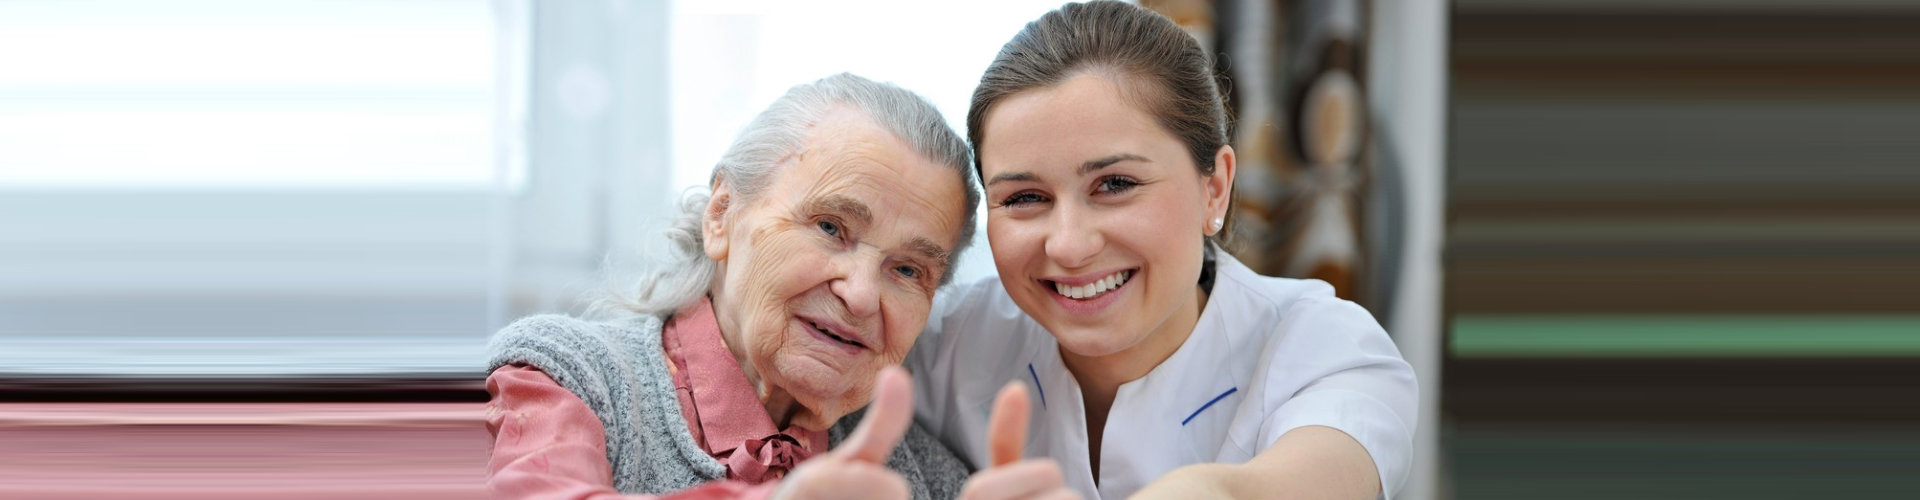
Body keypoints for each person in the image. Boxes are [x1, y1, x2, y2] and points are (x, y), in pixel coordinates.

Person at [909, 2, 1419, 499]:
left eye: (1115, 184)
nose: (1069, 244)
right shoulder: (938, 346)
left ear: (1215, 187)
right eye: (1024, 197)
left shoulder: (1327, 350)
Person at [484, 73, 981, 500]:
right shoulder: (568, 375)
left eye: (909, 270)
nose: (860, 294)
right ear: (721, 215)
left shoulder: (930, 480)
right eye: (831, 228)